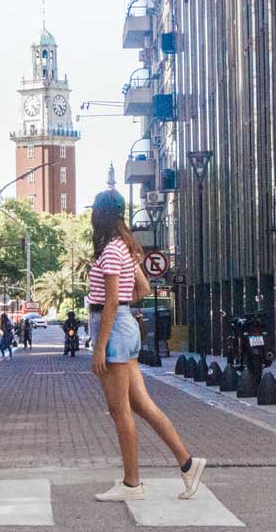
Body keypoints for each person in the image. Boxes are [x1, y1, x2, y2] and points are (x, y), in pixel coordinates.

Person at [87, 189, 206, 502]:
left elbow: (112, 300)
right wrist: (123, 307)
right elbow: (141, 288)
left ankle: (132, 484)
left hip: (112, 330)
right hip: (123, 327)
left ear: (101, 214)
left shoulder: (112, 250)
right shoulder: (125, 248)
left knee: (119, 410)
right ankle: (188, 464)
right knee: (141, 405)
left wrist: (100, 346)